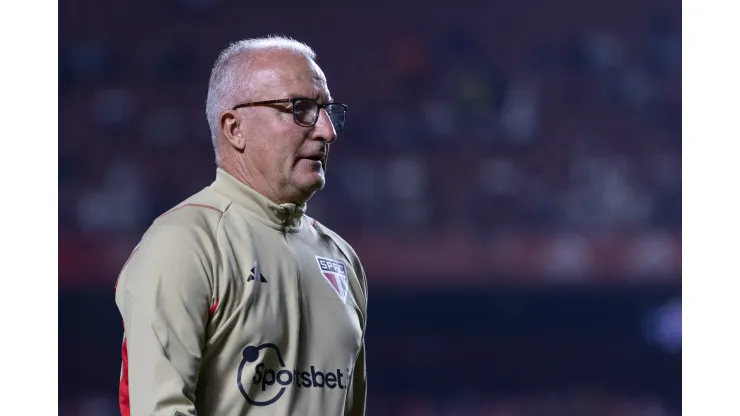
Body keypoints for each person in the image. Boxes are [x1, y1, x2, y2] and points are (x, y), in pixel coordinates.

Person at [114, 35, 368, 416]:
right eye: (300, 109)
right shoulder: (184, 243)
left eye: (327, 111)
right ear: (234, 128)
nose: (327, 131)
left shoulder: (342, 258)